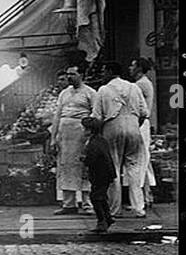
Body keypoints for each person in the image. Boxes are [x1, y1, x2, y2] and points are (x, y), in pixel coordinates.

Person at [91, 60, 150, 218]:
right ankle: (139, 207)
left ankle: (115, 209)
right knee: (134, 169)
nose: (103, 75)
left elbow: (96, 117)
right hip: (133, 127)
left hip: (112, 128)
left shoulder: (103, 90)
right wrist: (134, 124)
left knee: (114, 168)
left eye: (104, 71)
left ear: (110, 72)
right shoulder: (134, 87)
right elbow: (144, 112)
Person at [51, 65, 98, 215]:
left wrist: (91, 136)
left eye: (73, 74)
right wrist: (54, 137)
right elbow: (57, 115)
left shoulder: (91, 93)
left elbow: (95, 115)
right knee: (65, 167)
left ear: (81, 75)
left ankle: (87, 203)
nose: (69, 77)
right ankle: (68, 204)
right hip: (64, 133)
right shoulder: (64, 93)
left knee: (83, 167)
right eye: (68, 74)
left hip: (81, 132)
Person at [131, 56, 159, 201]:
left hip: (140, 122)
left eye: (132, 65)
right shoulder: (143, 83)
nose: (130, 68)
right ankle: (147, 195)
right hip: (143, 123)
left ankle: (141, 196)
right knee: (144, 159)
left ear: (139, 69)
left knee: (140, 158)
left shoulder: (140, 84)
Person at [81, 116, 116, 234]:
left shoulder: (94, 143)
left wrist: (84, 159)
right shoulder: (100, 140)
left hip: (100, 174)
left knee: (96, 197)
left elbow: (91, 158)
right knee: (101, 196)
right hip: (104, 173)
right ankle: (108, 217)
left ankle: (102, 221)